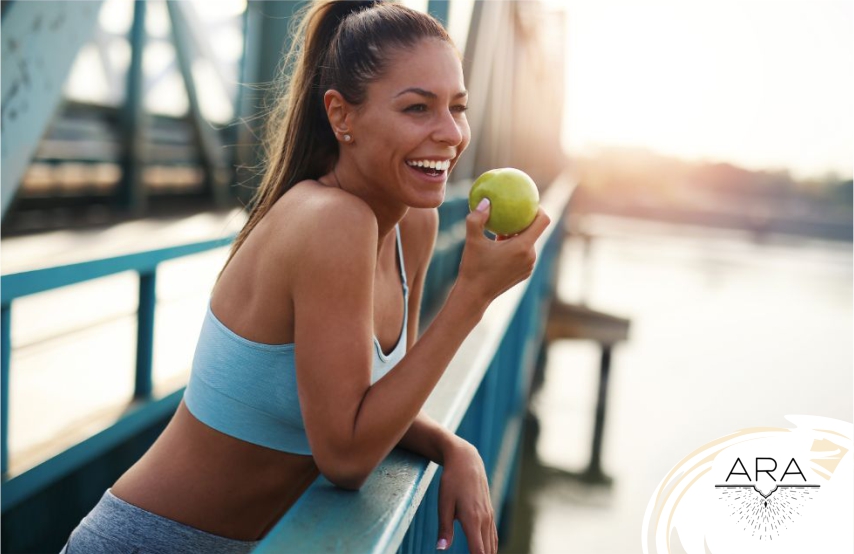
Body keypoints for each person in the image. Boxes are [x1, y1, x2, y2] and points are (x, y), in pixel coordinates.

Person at [59, 1, 549, 553]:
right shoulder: (330, 221)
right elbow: (346, 458)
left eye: (457, 108)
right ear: (341, 116)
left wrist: (453, 447)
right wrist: (472, 295)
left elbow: (376, 404)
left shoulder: (415, 225)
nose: (449, 133)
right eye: (417, 108)